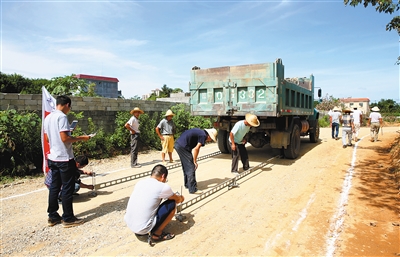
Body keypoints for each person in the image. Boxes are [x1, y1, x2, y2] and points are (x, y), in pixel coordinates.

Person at [43, 95, 91, 228]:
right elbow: (64, 138)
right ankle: (68, 218)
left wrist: (68, 133)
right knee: (67, 188)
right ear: (67, 105)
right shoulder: (62, 117)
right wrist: (82, 138)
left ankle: (52, 216)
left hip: (53, 158)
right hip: (64, 158)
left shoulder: (48, 117)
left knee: (54, 187)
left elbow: (47, 139)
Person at [124, 164, 184, 242]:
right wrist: (181, 197)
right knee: (172, 203)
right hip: (142, 229)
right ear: (163, 176)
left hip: (130, 224)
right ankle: (157, 234)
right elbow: (178, 199)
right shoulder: (163, 187)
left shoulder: (140, 183)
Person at [174, 128, 217, 194]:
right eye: (210, 139)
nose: (209, 141)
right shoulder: (203, 136)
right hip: (182, 146)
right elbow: (197, 149)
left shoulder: (200, 132)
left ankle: (188, 184)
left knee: (186, 166)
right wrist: (194, 161)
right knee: (191, 167)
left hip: (179, 144)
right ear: (209, 136)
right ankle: (193, 189)